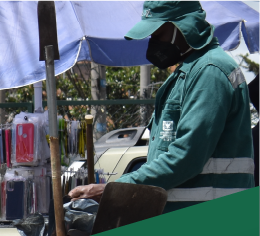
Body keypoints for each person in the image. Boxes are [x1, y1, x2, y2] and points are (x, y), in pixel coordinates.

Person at [69, 0, 255, 212]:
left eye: (158, 34)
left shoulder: (210, 71)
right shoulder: (187, 73)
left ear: (182, 27)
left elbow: (187, 155)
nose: (153, 42)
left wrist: (115, 189)